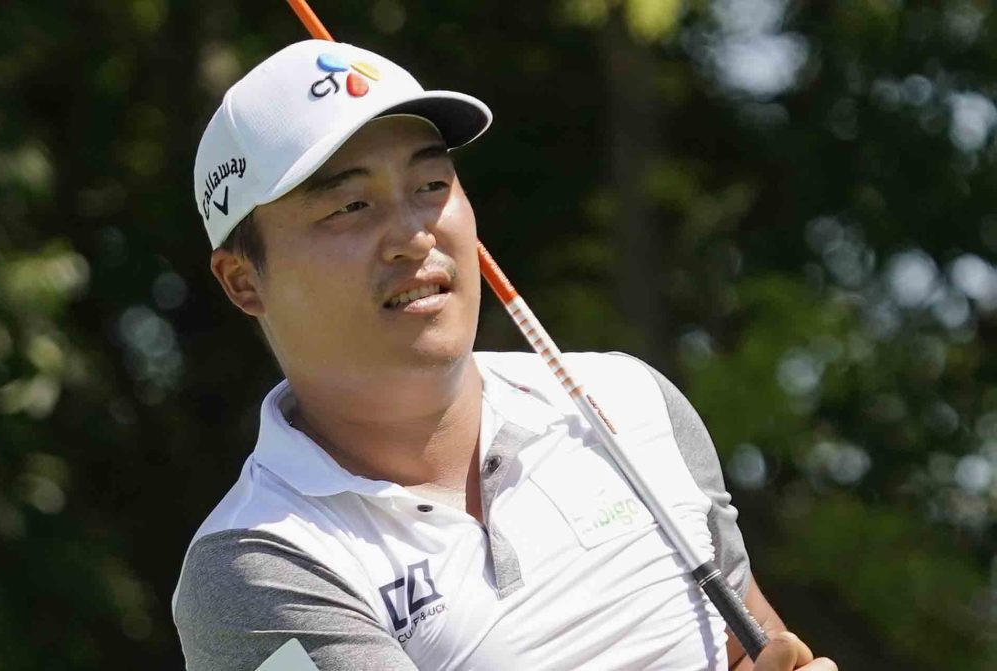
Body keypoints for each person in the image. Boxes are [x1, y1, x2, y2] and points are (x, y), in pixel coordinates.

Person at [173, 39, 836, 671]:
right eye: (351, 205)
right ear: (243, 281)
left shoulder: (629, 401)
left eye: (431, 183)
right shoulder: (255, 567)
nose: (413, 235)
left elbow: (748, 648)